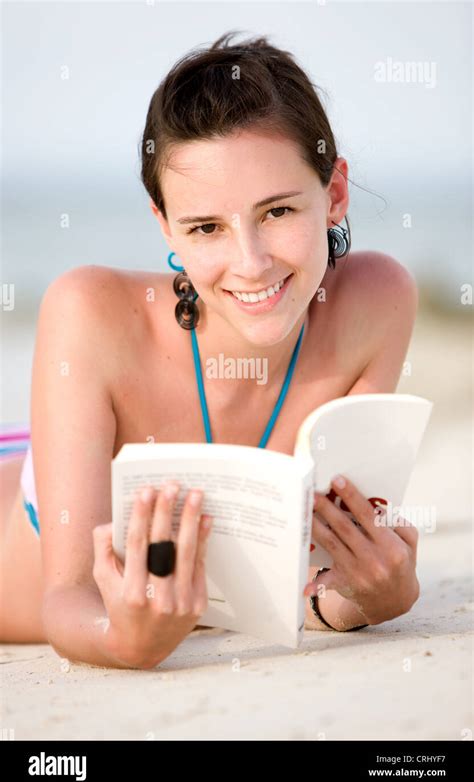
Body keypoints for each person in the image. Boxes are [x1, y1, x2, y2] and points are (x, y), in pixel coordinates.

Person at [0, 31, 420, 668]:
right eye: (205, 227)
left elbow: (309, 592)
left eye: (277, 212)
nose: (250, 264)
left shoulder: (375, 305)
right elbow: (69, 599)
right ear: (165, 223)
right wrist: (121, 640)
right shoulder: (88, 313)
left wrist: (368, 598)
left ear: (334, 193)